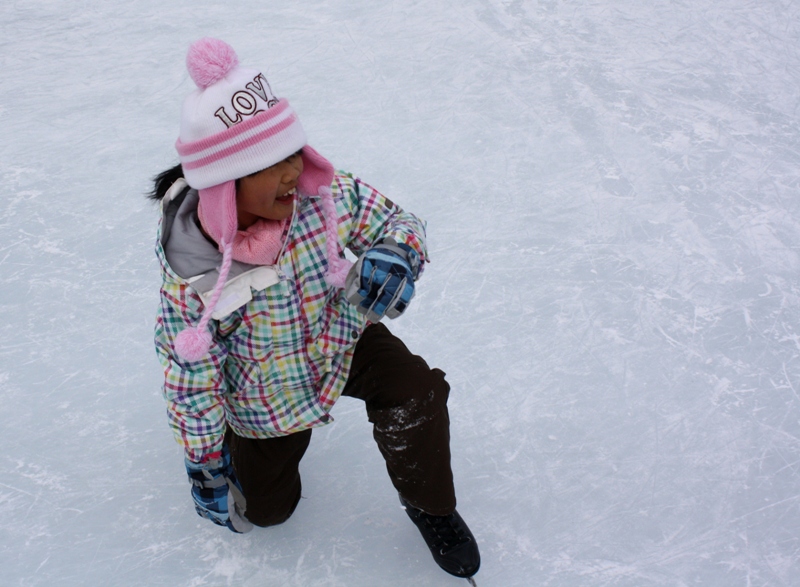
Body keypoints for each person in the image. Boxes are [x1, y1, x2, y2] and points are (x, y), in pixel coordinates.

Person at [149, 38, 480, 580]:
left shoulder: (322, 196)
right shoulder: (197, 272)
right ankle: (241, 454)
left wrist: (395, 253)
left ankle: (432, 506)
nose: (291, 174)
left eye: (292, 153)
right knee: (268, 511)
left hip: (338, 334)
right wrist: (205, 458)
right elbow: (190, 377)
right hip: (265, 390)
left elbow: (400, 222)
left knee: (414, 389)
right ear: (225, 184)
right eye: (269, 165)